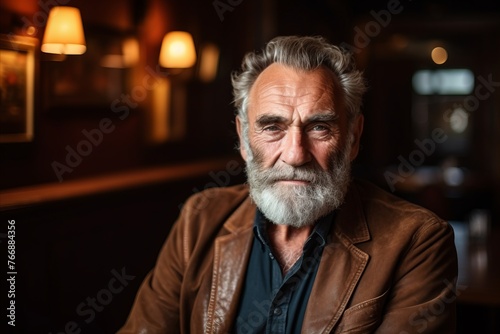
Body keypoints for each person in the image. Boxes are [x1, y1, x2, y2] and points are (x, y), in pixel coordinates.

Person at [119, 35, 458, 333]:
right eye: (272, 127)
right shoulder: (198, 219)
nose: (295, 155)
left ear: (353, 138)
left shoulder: (417, 241)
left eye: (319, 127)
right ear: (244, 139)